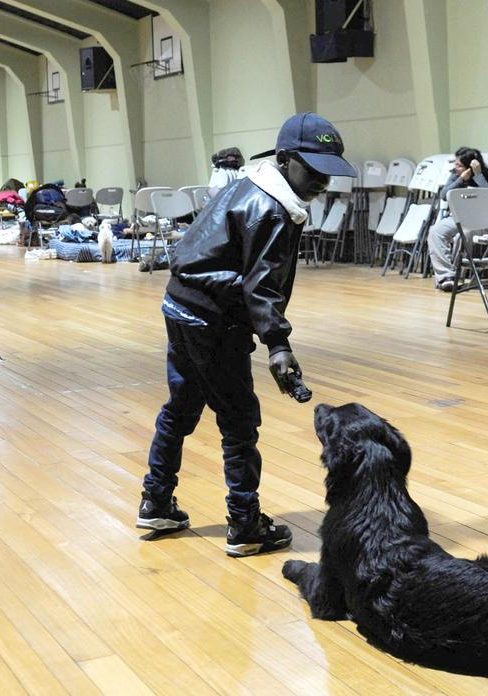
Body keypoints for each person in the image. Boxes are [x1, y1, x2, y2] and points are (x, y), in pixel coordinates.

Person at [137, 112, 356, 558]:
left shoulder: (246, 184)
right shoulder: (275, 209)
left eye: (328, 174)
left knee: (180, 407)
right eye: (313, 170)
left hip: (179, 305)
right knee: (239, 423)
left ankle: (156, 500)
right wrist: (278, 344)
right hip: (214, 319)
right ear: (284, 159)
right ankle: (245, 523)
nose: (321, 183)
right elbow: (263, 285)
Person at [427, 147, 488, 291]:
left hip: (480, 220)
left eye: (459, 165)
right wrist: (460, 179)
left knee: (462, 235)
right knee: (435, 232)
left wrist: (477, 176)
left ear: (470, 166)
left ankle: (457, 275)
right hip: (457, 217)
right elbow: (444, 194)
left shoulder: (486, 176)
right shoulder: (454, 176)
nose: (455, 167)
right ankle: (446, 276)